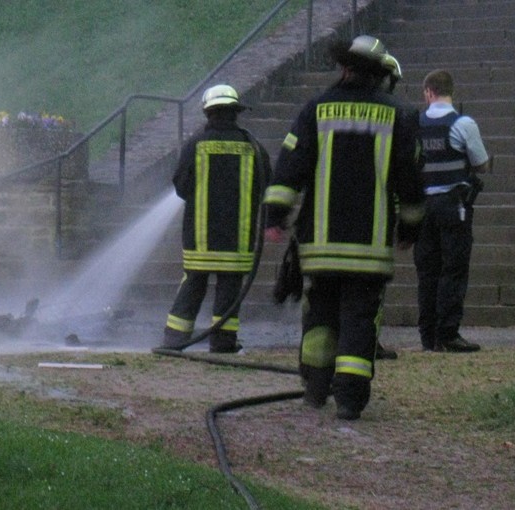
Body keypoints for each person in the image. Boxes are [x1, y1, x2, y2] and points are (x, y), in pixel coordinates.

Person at [263, 35, 425, 420]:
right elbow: (412, 181)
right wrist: (410, 228)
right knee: (360, 319)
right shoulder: (399, 115)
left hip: (320, 245)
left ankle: (316, 388)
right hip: (370, 247)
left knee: (320, 314)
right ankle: (350, 400)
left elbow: (290, 167)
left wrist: (275, 216)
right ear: (381, 75)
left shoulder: (316, 109)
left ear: (345, 69)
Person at [160, 84, 271, 353]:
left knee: (193, 285)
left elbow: (181, 186)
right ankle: (223, 342)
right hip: (238, 238)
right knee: (230, 290)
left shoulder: (196, 144)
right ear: (235, 112)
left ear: (208, 112)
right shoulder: (253, 147)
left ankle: (174, 340)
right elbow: (266, 183)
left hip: (200, 239)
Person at [413, 70, 490, 352]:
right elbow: (481, 164)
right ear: (450, 91)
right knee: (454, 268)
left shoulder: (415, 124)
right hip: (453, 205)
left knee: (427, 271)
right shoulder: (463, 124)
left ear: (428, 92)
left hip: (422, 207)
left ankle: (428, 335)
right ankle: (448, 333)